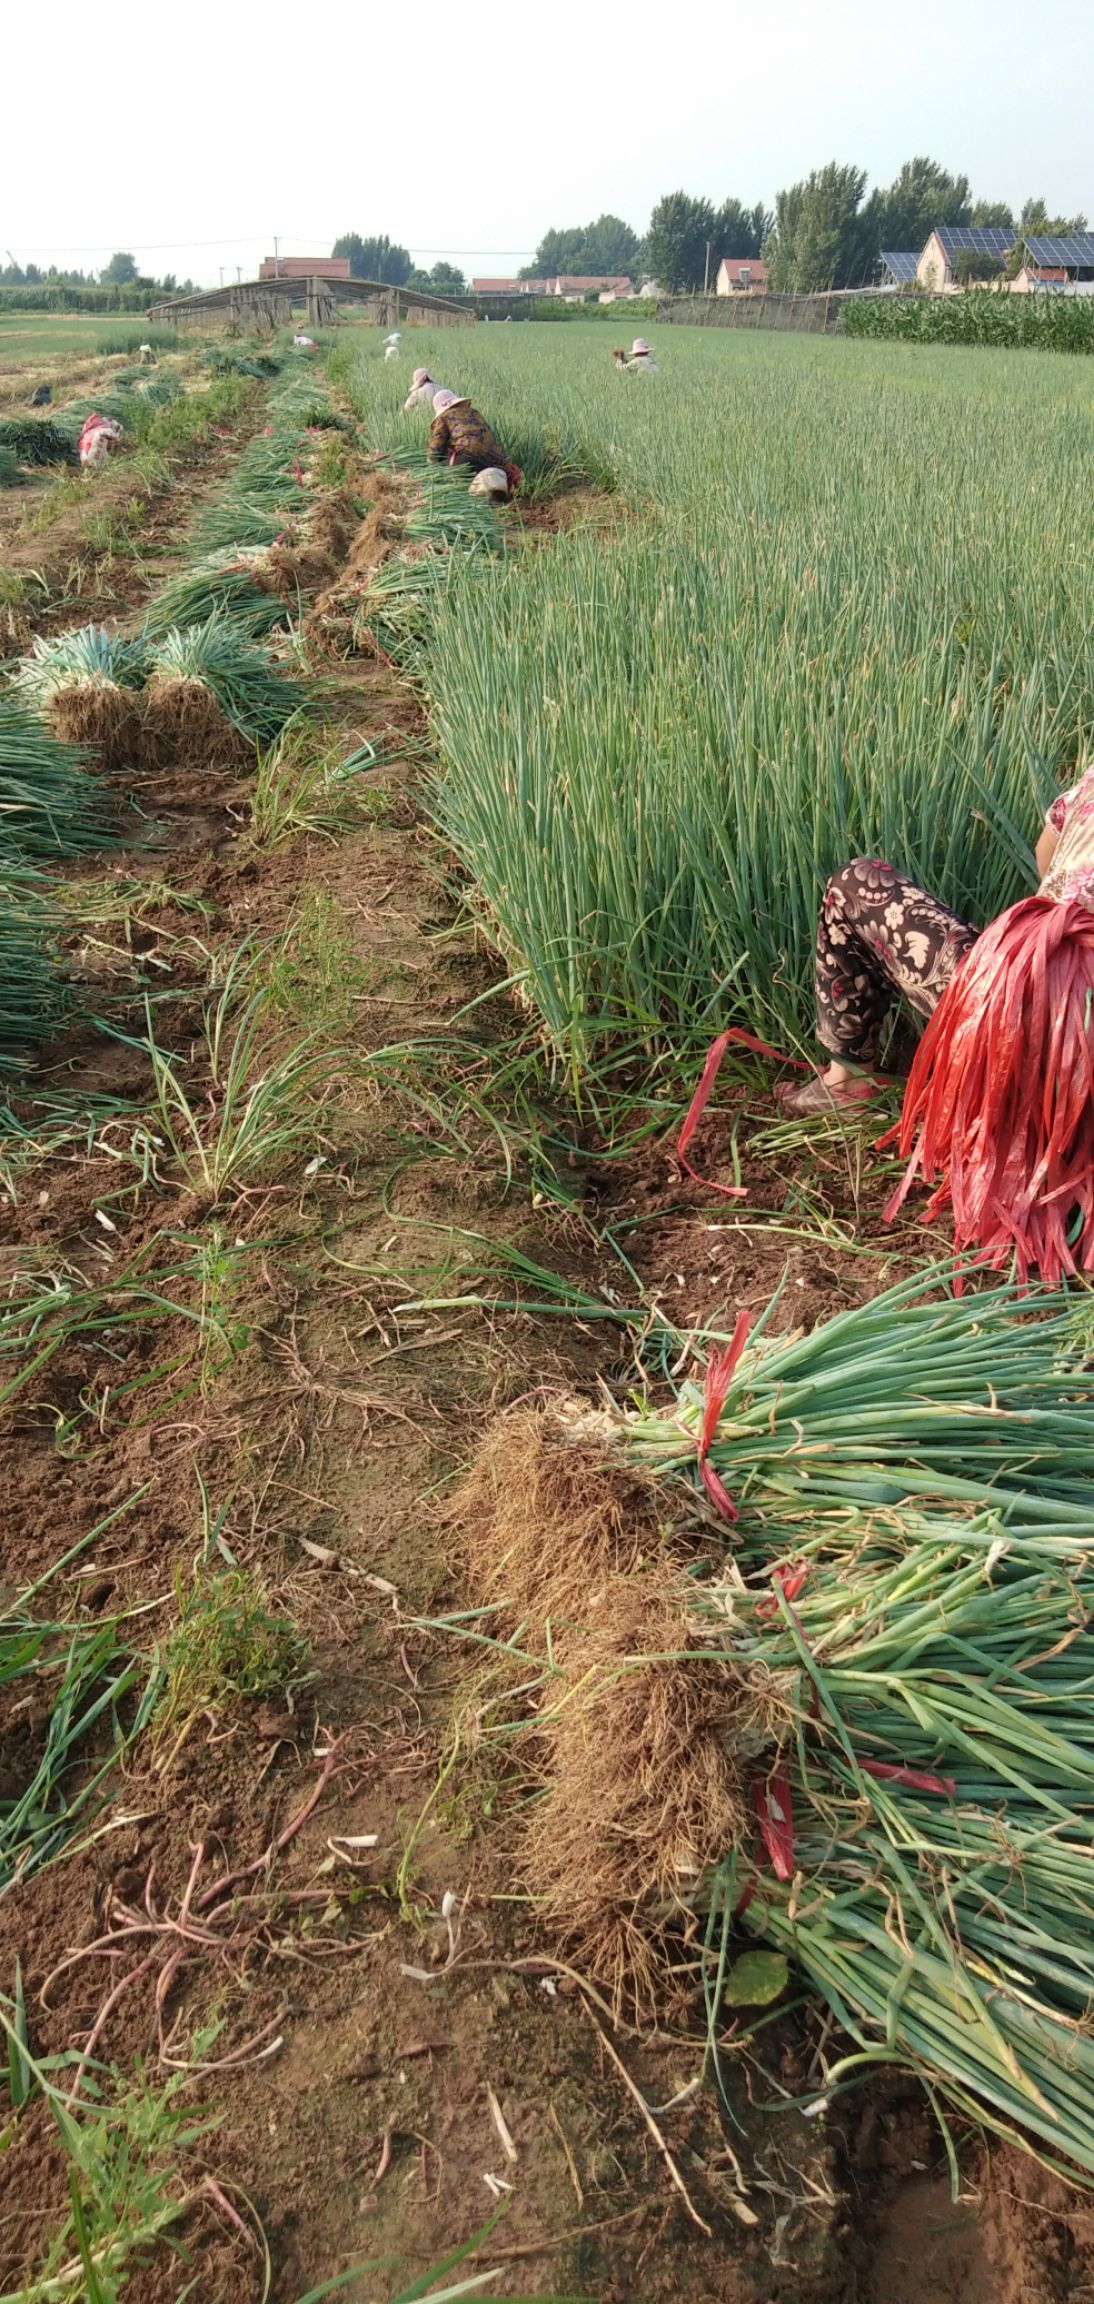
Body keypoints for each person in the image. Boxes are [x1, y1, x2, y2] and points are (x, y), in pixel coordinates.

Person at [777, 775, 1094, 1114]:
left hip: (1015, 1008)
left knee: (853, 884)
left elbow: (1046, 852)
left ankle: (847, 1083)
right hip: (1054, 1034)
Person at [427, 389, 521, 494]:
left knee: (443, 451)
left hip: (466, 459)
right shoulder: (475, 413)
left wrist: (431, 468)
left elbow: (436, 446)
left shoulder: (443, 417)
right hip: (493, 461)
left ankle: (455, 489)